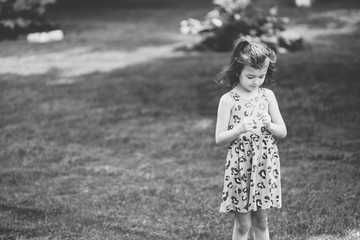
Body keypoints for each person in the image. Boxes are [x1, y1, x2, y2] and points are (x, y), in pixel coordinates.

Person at [215, 36, 287, 240]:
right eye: (250, 76)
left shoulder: (267, 96)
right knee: (243, 224)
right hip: (240, 166)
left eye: (261, 76)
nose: (256, 82)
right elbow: (219, 138)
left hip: (264, 164)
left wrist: (269, 125)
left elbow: (282, 131)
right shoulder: (228, 100)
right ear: (237, 71)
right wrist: (239, 129)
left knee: (261, 222)